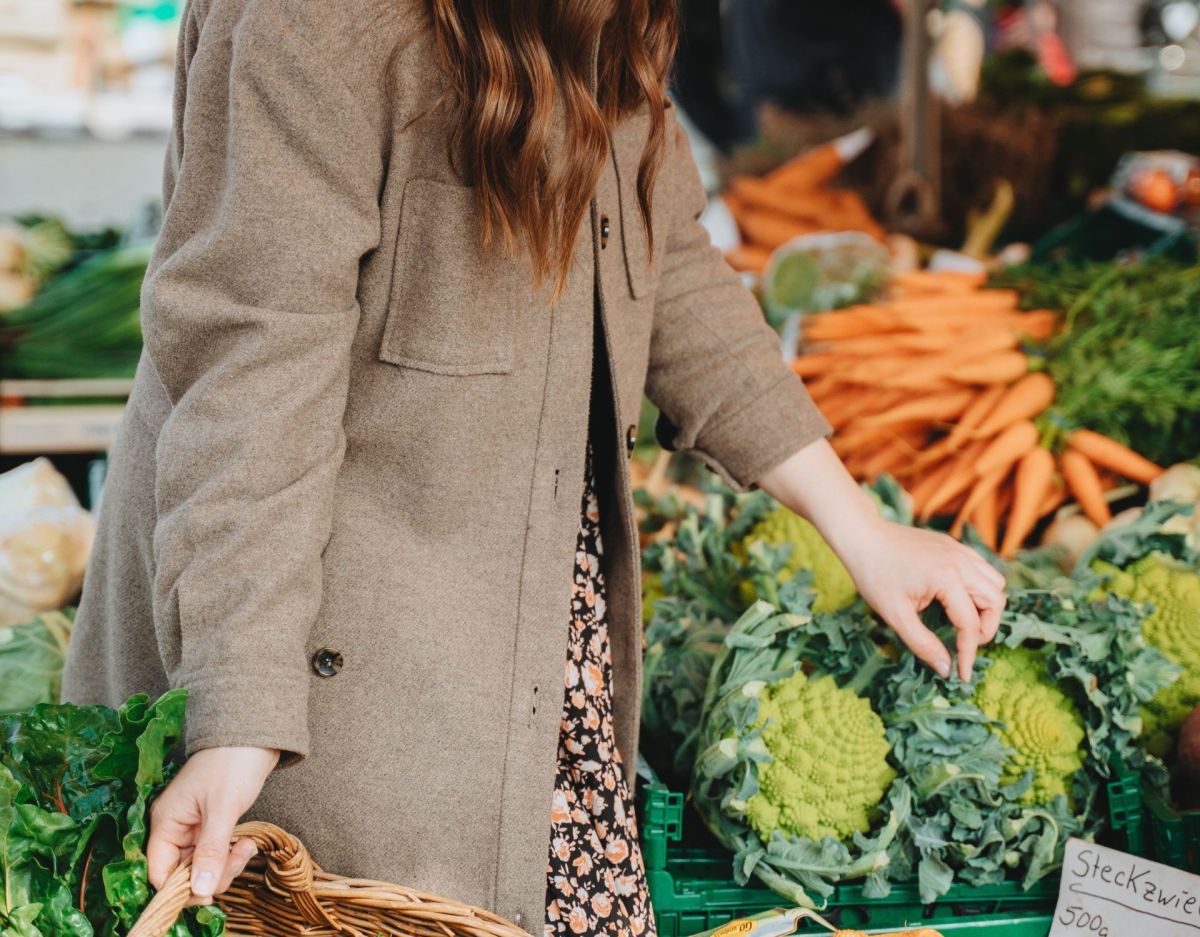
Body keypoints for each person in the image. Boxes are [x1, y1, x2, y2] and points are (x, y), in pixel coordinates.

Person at [61, 1, 1007, 935]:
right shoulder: (309, 23)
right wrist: (237, 709)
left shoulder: (605, 19)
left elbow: (670, 261)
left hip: (533, 640)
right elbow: (251, 382)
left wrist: (861, 530)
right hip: (330, 670)